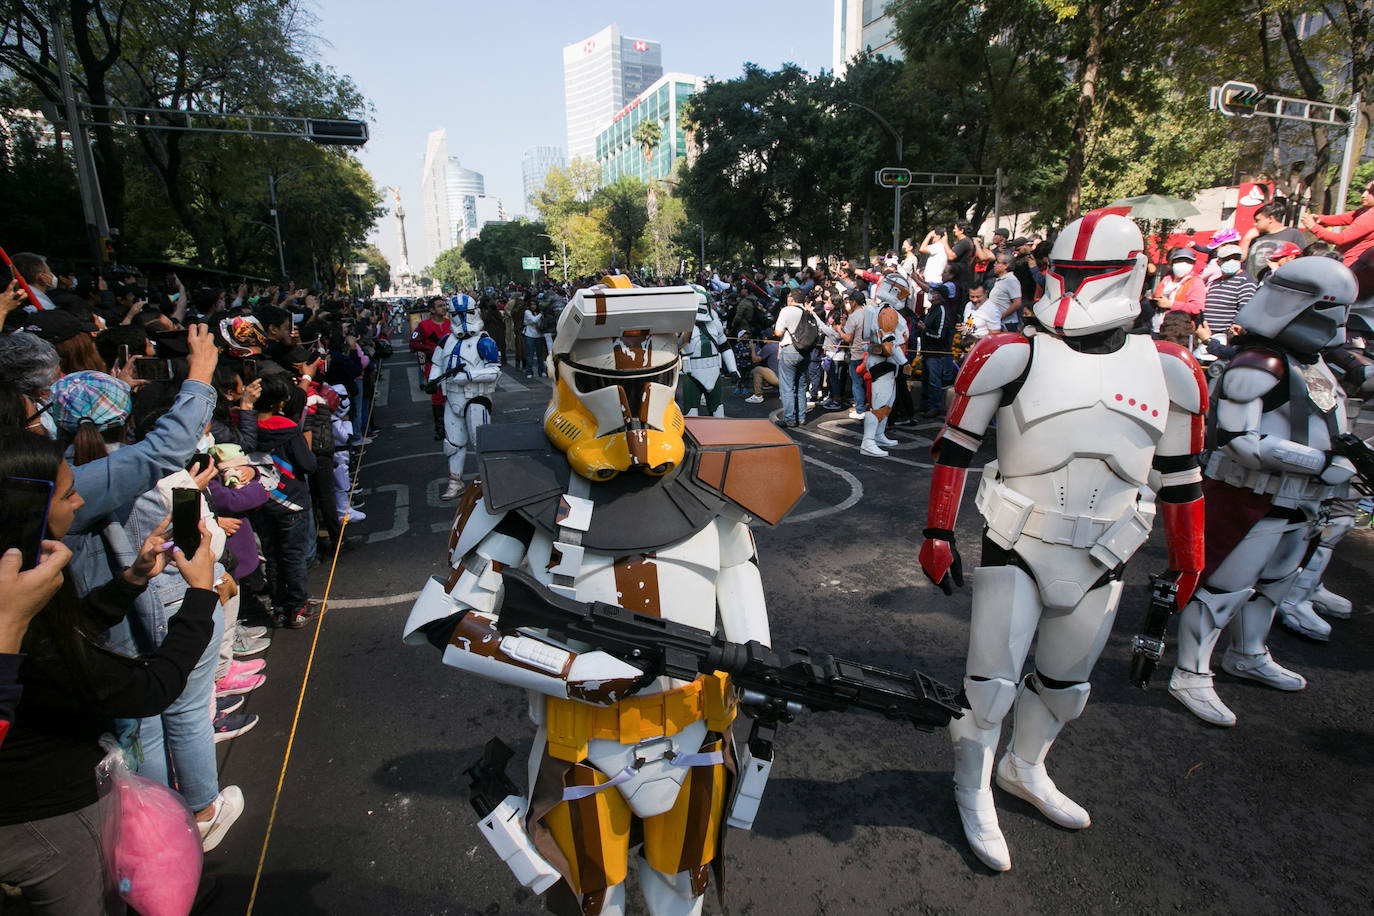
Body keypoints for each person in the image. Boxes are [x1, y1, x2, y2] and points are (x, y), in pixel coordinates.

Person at [403, 278, 807, 914]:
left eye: (654, 379)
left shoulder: (716, 469)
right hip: (582, 741)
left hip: (700, 727)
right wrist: (568, 671)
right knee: (593, 897)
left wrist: (759, 665)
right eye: (609, 382)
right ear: (565, 374)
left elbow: (737, 573)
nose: (635, 403)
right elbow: (444, 619)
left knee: (685, 888)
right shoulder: (520, 481)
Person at [917, 211, 1206, 872]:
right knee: (988, 687)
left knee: (1066, 686)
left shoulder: (1173, 367)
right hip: (1018, 541)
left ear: (1133, 271)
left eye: (1089, 274)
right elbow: (953, 450)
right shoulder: (1008, 354)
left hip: (1106, 553)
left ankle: (1025, 768)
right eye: (1064, 272)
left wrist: (1190, 560)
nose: (1072, 287)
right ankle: (973, 788)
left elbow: (1182, 477)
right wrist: (937, 531)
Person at [0, 429, 219, 913]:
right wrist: (201, 597)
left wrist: (132, 579)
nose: (79, 500)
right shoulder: (18, 627)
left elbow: (73, 630)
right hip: (49, 816)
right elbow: (151, 688)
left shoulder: (19, 597)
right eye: (65, 492)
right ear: (25, 509)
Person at [1168, 257, 1359, 727]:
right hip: (1250, 493)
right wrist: (1320, 462)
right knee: (1223, 587)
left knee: (1274, 584)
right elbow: (1236, 439)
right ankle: (1191, 672)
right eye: (1327, 316)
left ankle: (1248, 652)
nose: (1334, 328)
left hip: (1301, 498)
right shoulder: (1258, 364)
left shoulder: (1310, 363)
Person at [429, 294, 502, 500]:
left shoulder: (484, 341)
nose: (461, 319)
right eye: (457, 314)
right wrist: (434, 381)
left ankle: (490, 481)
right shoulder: (446, 341)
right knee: (453, 442)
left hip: (476, 396)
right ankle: (455, 481)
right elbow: (437, 364)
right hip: (452, 398)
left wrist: (469, 376)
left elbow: (495, 372)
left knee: (481, 441)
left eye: (465, 314)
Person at [679, 285, 739, 417]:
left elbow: (725, 347)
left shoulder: (715, 323)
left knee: (718, 410)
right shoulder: (681, 325)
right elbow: (674, 349)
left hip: (714, 372)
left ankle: (718, 437)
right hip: (691, 373)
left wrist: (733, 369)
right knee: (691, 413)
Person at [1302, 181, 1374, 267]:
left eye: (1370, 192)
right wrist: (1320, 219)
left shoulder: (1371, 216)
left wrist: (1313, 226)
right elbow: (1344, 218)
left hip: (1351, 266)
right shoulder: (1366, 210)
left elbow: (1340, 239)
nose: (1363, 195)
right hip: (1345, 262)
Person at [410, 296, 450, 440]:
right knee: (437, 397)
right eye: (440, 306)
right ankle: (439, 428)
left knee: (452, 395)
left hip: (450, 365)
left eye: (444, 305)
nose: (443, 308)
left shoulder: (450, 324)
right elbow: (413, 344)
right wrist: (431, 348)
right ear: (432, 310)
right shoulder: (423, 325)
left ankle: (453, 425)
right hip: (433, 365)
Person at [772, 287, 811, 427]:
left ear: (791, 298)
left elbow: (778, 332)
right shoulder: (807, 312)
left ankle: (789, 418)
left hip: (790, 350)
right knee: (801, 386)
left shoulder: (786, 310)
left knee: (787, 387)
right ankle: (801, 417)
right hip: (806, 351)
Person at [1241, 200, 1308, 278]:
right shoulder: (1254, 236)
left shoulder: (1294, 234)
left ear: (1270, 219)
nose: (1255, 224)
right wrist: (1247, 239)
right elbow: (1241, 259)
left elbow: (1301, 262)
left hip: (1277, 283)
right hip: (1252, 285)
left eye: (1258, 220)